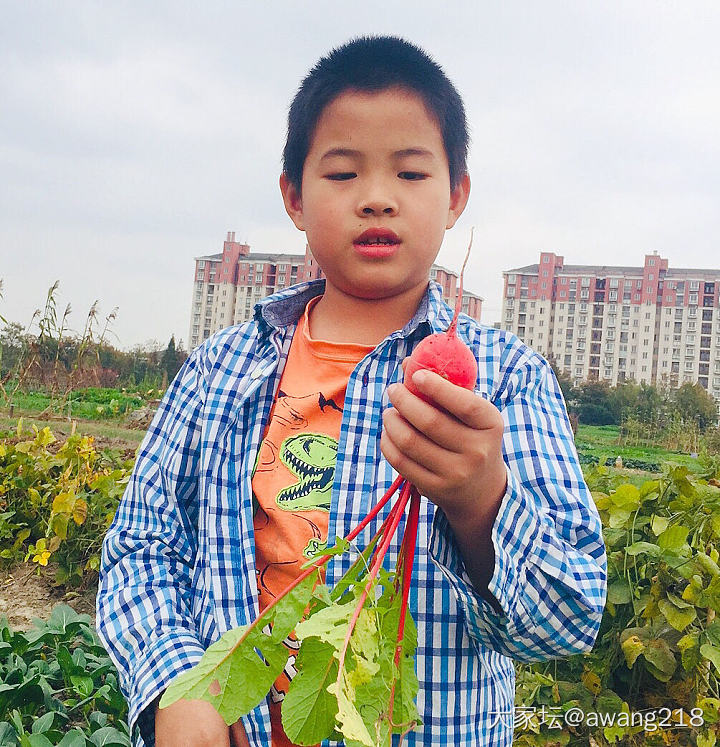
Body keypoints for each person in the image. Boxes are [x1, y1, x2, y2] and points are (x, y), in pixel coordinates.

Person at [97, 35, 607, 747]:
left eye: (409, 173)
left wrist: (480, 500)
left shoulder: (507, 378)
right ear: (294, 198)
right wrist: (176, 685)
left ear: (456, 194)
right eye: (342, 174)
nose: (376, 199)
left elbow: (569, 616)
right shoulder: (219, 369)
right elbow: (144, 544)